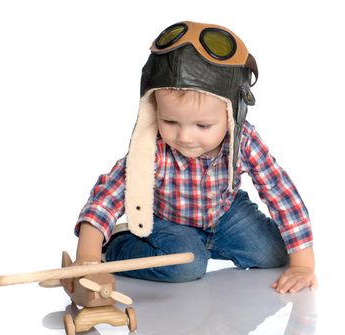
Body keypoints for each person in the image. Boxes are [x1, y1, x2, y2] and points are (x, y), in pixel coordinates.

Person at [65, 21, 317, 294]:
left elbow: (279, 191)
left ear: (234, 115)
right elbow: (107, 197)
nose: (184, 137)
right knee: (186, 267)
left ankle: (204, 248)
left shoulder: (243, 140)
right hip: (169, 222)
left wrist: (303, 265)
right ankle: (117, 248)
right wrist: (88, 257)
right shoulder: (153, 148)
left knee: (275, 254)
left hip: (225, 215)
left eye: (202, 126)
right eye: (170, 121)